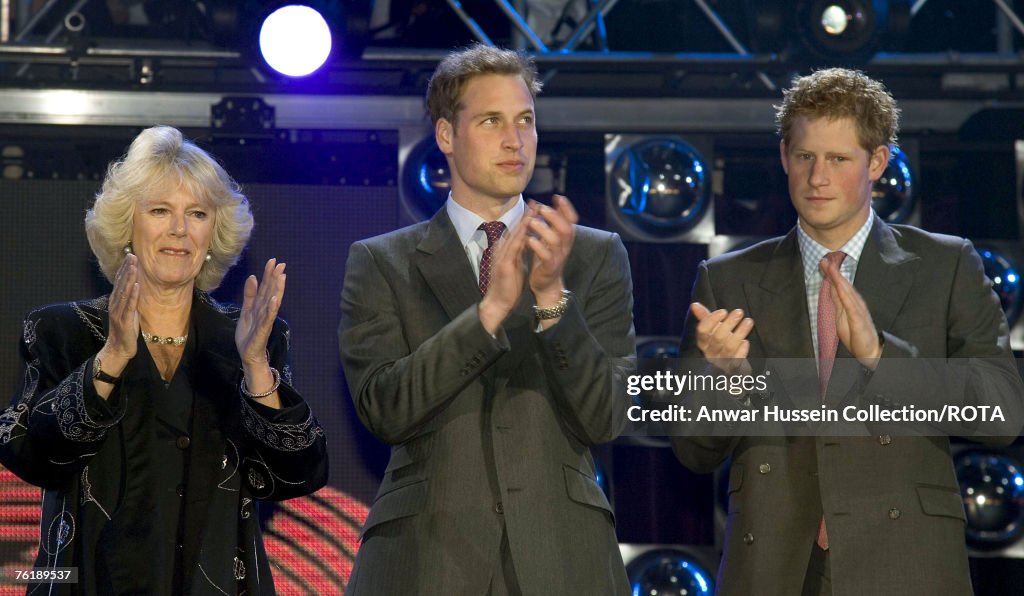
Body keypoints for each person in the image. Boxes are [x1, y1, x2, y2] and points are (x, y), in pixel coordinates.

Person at [670, 68, 1024, 595]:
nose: (818, 178)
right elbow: (693, 451)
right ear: (785, 157)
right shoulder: (727, 278)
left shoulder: (945, 264)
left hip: (904, 561)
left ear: (877, 162)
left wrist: (882, 357)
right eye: (806, 157)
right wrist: (725, 381)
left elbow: (1001, 413)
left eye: (838, 159)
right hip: (775, 565)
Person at [339, 44, 635, 594]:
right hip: (426, 558)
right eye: (492, 120)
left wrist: (552, 299)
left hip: (563, 556)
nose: (514, 139)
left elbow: (608, 416)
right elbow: (384, 408)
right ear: (447, 136)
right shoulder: (382, 261)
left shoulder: (594, 255)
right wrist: (490, 311)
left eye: (525, 120)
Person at [0, 125, 328, 595]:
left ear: (213, 232)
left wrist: (256, 367)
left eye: (196, 213)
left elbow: (296, 474)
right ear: (126, 226)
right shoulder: (62, 331)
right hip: (83, 581)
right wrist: (110, 359)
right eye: (160, 211)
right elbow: (31, 456)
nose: (179, 229)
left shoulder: (251, 339)